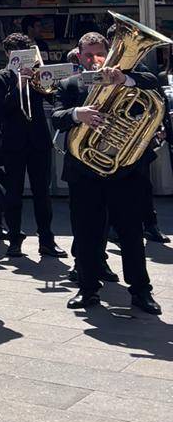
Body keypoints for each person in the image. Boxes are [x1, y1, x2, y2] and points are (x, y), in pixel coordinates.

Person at [54, 30, 161, 316]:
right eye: (87, 55)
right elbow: (57, 116)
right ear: (78, 56)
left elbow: (154, 86)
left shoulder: (130, 79)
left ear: (109, 53)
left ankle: (140, 292)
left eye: (98, 53)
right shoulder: (69, 84)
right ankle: (87, 289)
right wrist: (78, 114)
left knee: (130, 233)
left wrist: (123, 79)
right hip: (84, 172)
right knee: (87, 233)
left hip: (124, 172)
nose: (93, 60)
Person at [0, 32, 63, 260]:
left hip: (38, 140)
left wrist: (43, 80)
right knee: (13, 194)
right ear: (8, 55)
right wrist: (18, 86)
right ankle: (14, 239)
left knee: (42, 193)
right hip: (13, 142)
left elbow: (54, 98)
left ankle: (47, 239)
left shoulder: (37, 74)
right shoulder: (1, 77)